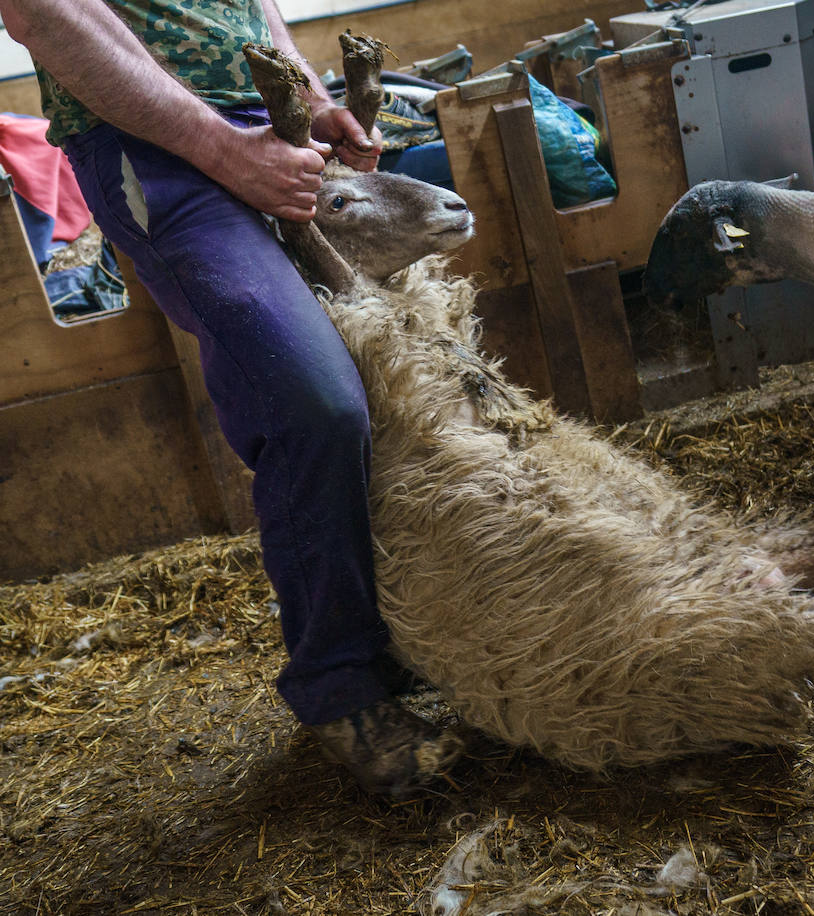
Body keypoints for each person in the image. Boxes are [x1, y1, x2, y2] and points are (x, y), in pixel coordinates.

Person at [0, 0, 466, 797]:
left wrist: (309, 100)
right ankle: (338, 687)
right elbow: (45, 12)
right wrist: (224, 148)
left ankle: (415, 631)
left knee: (399, 365)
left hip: (266, 130)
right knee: (313, 402)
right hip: (156, 150)